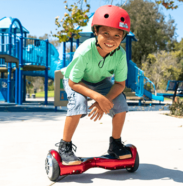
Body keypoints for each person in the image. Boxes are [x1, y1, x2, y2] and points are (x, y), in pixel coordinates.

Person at [55, 5, 132, 166]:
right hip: (76, 80)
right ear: (96, 31)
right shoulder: (85, 51)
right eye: (106, 33)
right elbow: (72, 82)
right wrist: (97, 97)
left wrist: (104, 99)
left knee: (121, 103)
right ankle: (65, 146)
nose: (111, 39)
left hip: (100, 81)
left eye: (117, 35)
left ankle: (116, 144)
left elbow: (119, 84)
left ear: (123, 37)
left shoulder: (120, 55)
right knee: (78, 103)